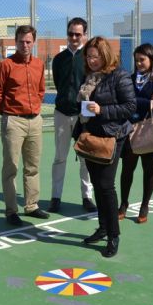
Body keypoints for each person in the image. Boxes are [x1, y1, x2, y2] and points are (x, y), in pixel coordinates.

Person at [77, 37, 136, 257]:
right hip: (92, 135)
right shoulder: (90, 77)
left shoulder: (119, 76)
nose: (91, 60)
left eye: (95, 56)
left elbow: (130, 107)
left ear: (105, 55)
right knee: (97, 183)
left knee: (106, 185)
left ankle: (113, 235)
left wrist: (102, 110)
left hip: (113, 136)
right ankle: (102, 227)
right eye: (88, 56)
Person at [0, 25, 49, 226]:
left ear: (33, 42)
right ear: (16, 42)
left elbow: (41, 90)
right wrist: (9, 113)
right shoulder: (5, 65)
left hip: (35, 120)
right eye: (21, 41)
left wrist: (35, 108)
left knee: (33, 166)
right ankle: (11, 210)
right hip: (13, 121)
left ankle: (31, 205)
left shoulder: (39, 64)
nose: (25, 45)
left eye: (28, 41)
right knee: (11, 167)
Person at [119, 43, 153, 224]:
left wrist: (135, 101)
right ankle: (123, 204)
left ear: (151, 59)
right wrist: (143, 101)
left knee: (149, 169)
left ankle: (144, 205)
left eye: (142, 60)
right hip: (130, 129)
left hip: (151, 128)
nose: (139, 63)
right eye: (136, 60)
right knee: (127, 168)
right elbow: (125, 101)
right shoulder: (129, 78)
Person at [48, 17, 95, 214]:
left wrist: (85, 114)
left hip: (83, 115)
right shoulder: (59, 60)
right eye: (70, 34)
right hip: (61, 113)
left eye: (78, 34)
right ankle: (56, 197)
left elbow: (91, 88)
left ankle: (87, 197)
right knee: (60, 157)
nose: (74, 37)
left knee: (85, 158)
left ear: (84, 35)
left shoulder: (89, 59)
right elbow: (60, 85)